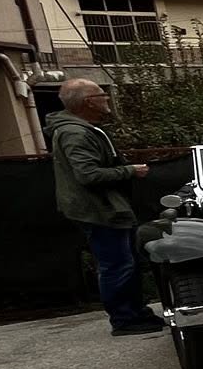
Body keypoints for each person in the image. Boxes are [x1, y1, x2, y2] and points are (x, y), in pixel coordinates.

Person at [46, 79, 159, 336]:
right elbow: (87, 175)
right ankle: (125, 319)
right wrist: (130, 171)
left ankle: (136, 313)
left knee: (126, 262)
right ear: (89, 102)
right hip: (99, 210)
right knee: (117, 265)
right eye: (101, 94)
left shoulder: (80, 128)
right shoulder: (76, 133)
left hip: (106, 207)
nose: (106, 98)